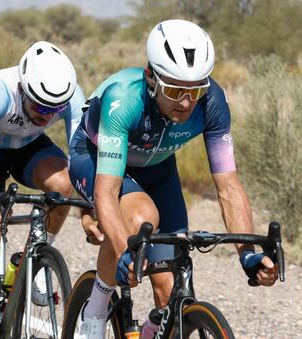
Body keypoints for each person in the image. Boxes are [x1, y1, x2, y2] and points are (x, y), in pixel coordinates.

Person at [68, 19, 279, 338]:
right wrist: (125, 247)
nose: (186, 102)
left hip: (158, 166)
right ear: (151, 76)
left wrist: (246, 252)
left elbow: (228, 186)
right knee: (141, 218)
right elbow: (107, 193)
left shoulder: (213, 103)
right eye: (175, 89)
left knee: (169, 291)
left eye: (195, 90)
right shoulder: (123, 100)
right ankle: (94, 312)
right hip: (95, 157)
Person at [0, 41, 85, 339]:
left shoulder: (71, 96)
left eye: (55, 109)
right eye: (40, 106)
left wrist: (88, 208)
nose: (46, 116)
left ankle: (35, 265)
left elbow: (81, 159)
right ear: (22, 89)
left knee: (63, 186)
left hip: (28, 147)